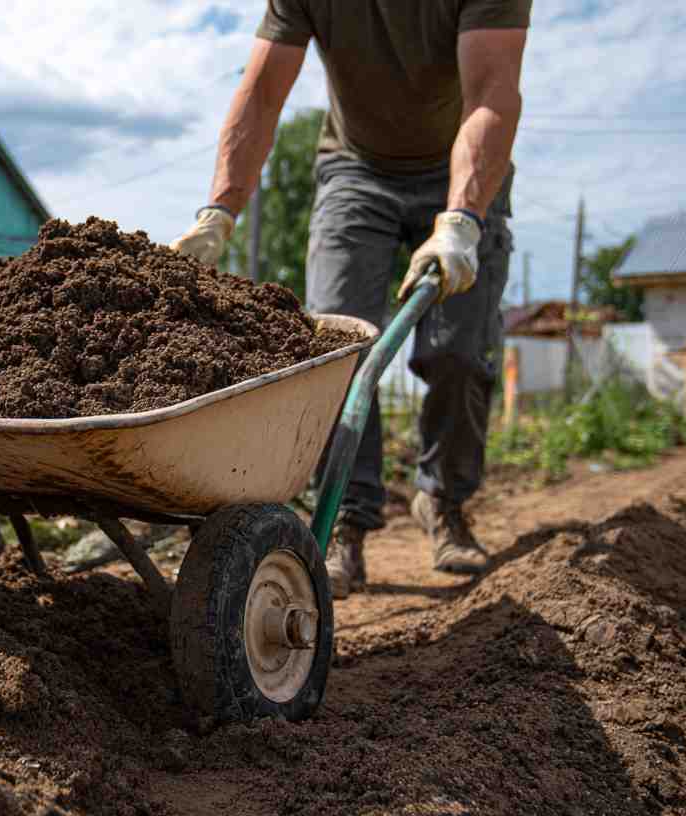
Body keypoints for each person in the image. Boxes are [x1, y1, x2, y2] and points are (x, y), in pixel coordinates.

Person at [171, 1, 529, 597]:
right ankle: (344, 520)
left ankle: (443, 501)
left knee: (459, 352)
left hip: (464, 166)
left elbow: (492, 91)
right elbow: (261, 93)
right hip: (356, 170)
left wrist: (463, 220)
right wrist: (219, 213)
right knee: (337, 348)